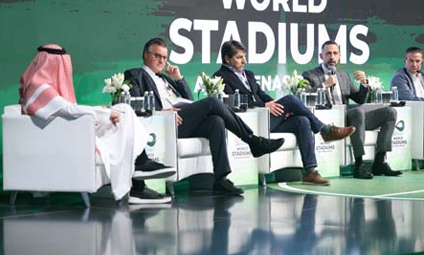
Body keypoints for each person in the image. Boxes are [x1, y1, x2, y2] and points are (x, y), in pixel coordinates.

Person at [124, 37, 285, 196]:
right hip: (165, 123)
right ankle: (253, 141)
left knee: (216, 121)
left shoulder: (166, 79)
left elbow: (189, 100)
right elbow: (137, 105)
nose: (161, 61)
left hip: (183, 119)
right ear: (146, 55)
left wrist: (179, 79)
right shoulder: (135, 74)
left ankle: (220, 179)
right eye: (157, 56)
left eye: (164, 57)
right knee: (213, 102)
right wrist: (162, 112)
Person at [19, 44, 175, 204]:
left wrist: (104, 111)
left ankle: (140, 172)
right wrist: (106, 113)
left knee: (125, 110)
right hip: (65, 141)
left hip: (70, 133)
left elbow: (68, 111)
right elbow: (69, 109)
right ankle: (139, 174)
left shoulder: (42, 88)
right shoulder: (40, 88)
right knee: (121, 115)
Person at [213, 39, 356, 186]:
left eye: (244, 56)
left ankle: (310, 171)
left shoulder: (248, 74)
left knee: (302, 121)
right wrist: (264, 105)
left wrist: (276, 106)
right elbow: (232, 103)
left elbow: (262, 95)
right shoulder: (220, 77)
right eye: (239, 57)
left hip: (266, 119)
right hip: (248, 123)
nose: (244, 61)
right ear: (227, 59)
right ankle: (325, 130)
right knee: (291, 100)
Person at [303, 40, 401, 180]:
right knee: (358, 112)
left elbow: (359, 99)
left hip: (350, 117)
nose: (332, 57)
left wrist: (364, 84)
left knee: (390, 112)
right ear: (321, 56)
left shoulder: (343, 75)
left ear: (339, 56)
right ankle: (359, 165)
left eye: (335, 53)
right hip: (329, 119)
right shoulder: (310, 74)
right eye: (328, 53)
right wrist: (324, 85)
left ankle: (379, 162)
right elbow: (304, 96)